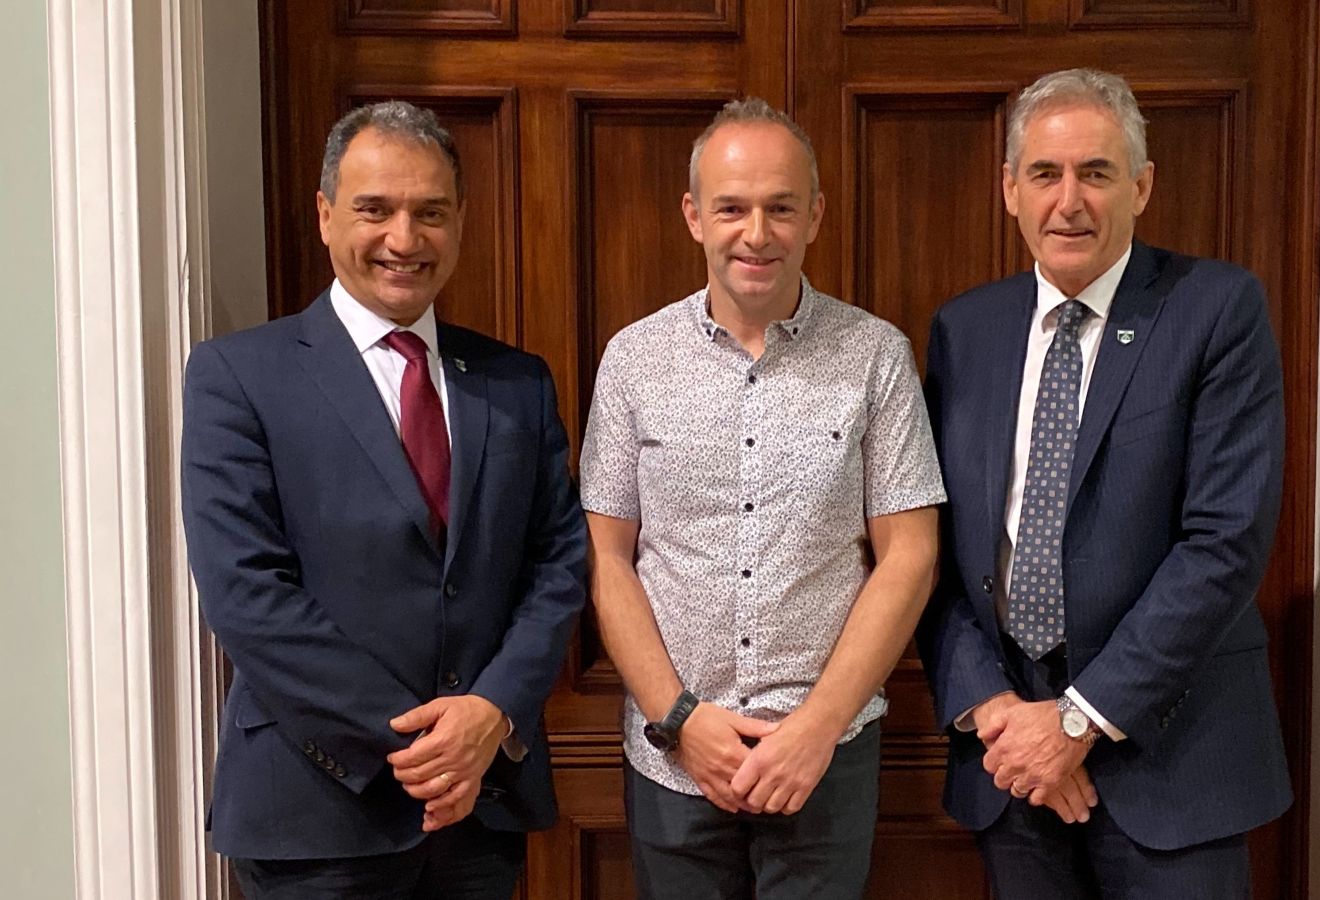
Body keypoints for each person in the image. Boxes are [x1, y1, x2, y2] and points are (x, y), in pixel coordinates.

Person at [181, 100, 587, 899]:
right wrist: (422, 748)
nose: (404, 239)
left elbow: (559, 564)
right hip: (316, 814)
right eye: (376, 209)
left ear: (461, 220)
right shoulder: (238, 377)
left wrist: (491, 714)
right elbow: (247, 594)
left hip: (481, 814)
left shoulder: (516, 382)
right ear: (327, 214)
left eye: (430, 212)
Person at [916, 69, 1292, 899]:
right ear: (1010, 190)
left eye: (1096, 173)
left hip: (1170, 761)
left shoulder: (1217, 310)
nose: (1070, 201)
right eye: (1045, 175)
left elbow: (1224, 544)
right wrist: (998, 714)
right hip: (1011, 764)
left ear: (1143, 186)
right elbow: (927, 548)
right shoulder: (964, 329)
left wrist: (1079, 719)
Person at [579, 97, 945, 899]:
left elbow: (910, 556)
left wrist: (813, 730)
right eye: (732, 208)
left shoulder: (877, 356)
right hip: (674, 757)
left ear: (814, 214)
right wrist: (680, 719)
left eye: (780, 207)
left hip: (827, 756)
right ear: (692, 216)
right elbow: (608, 558)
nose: (756, 233)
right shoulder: (633, 360)